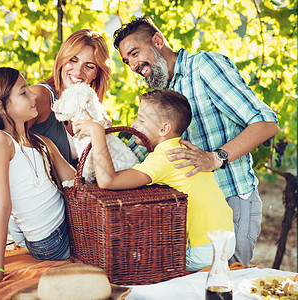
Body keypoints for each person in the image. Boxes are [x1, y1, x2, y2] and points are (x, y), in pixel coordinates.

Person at [113, 16, 279, 265]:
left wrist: (215, 157)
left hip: (229, 202)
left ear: (158, 41)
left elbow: (266, 122)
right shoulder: (159, 97)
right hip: (186, 218)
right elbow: (140, 149)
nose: (134, 65)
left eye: (135, 53)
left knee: (223, 288)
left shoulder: (203, 67)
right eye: (127, 61)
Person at [0, 29, 111, 274]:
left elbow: (84, 174)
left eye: (89, 66)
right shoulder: (38, 99)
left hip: (67, 209)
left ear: (97, 73)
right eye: (73, 60)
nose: (78, 72)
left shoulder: (94, 113)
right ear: (61, 61)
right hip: (45, 221)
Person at [75, 89, 235, 271]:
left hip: (202, 247)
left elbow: (108, 181)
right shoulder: (183, 150)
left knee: (136, 260)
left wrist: (97, 132)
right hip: (224, 238)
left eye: (141, 120)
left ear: (164, 129)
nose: (134, 125)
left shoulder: (165, 157)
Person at [0, 67, 75, 287]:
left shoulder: (40, 142)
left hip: (66, 227)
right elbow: (2, 206)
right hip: (52, 241)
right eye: (23, 92)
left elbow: (78, 182)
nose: (33, 96)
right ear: (1, 106)